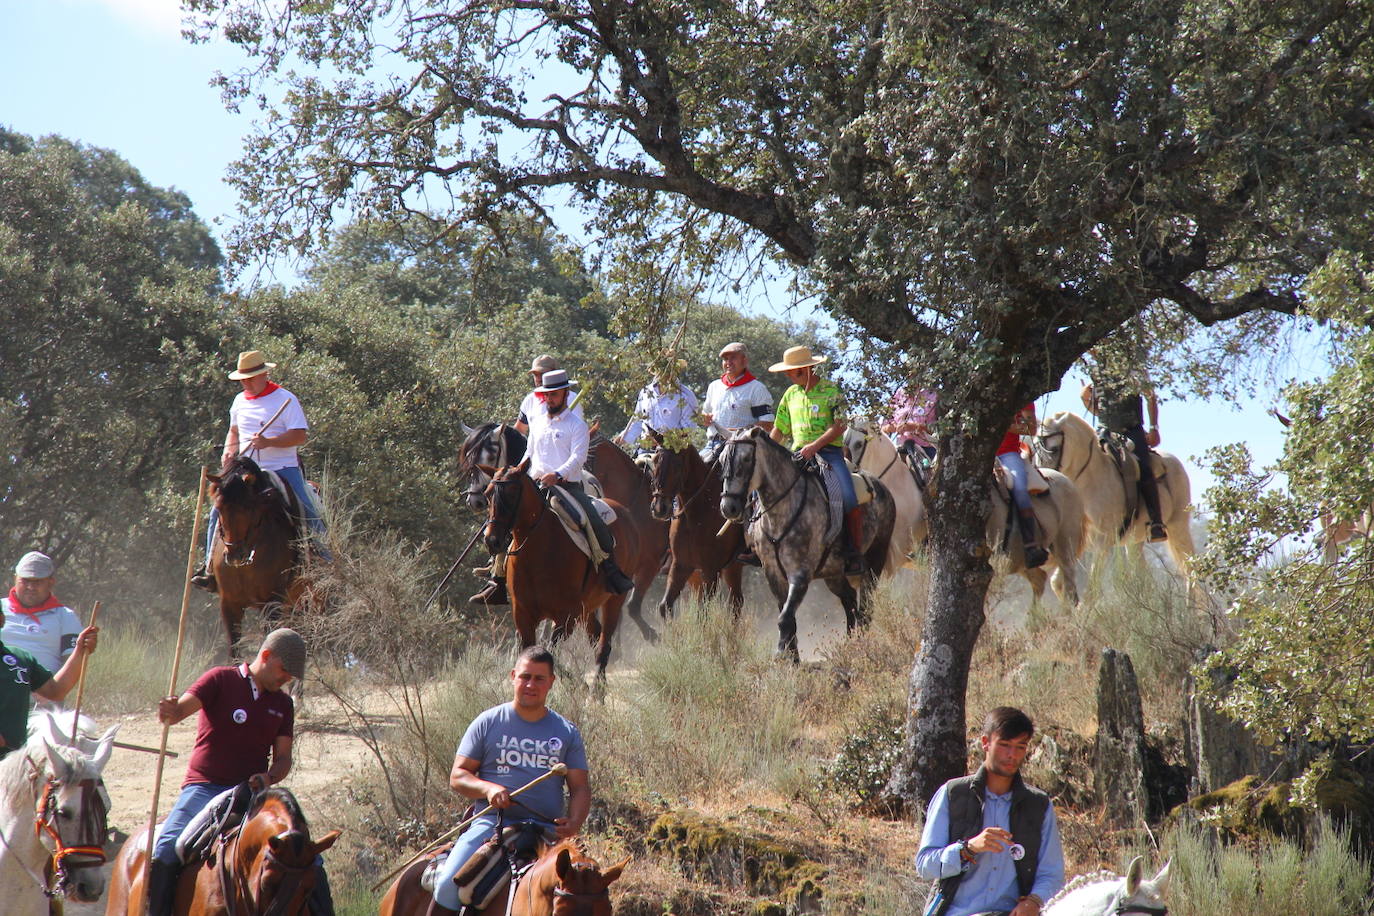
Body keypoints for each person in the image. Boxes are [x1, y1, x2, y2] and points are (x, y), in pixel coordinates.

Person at [144, 628, 333, 916]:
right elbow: (178, 713)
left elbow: (283, 759)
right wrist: (168, 710)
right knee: (167, 850)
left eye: (292, 675)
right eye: (284, 670)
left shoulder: (283, 704)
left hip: (253, 796)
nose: (287, 679)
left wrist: (269, 777)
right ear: (266, 656)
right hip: (204, 787)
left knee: (310, 861)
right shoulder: (220, 679)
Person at [427, 645, 589, 916]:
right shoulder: (488, 722)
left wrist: (574, 822)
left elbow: (580, 787)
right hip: (492, 826)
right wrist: (488, 789)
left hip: (547, 831)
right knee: (446, 885)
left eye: (539, 678)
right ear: (513, 676)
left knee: (587, 890)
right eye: (525, 676)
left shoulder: (566, 732)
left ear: (551, 682)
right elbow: (458, 776)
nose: (530, 684)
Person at [193, 350, 327, 592]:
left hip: (283, 467)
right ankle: (208, 568)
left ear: (265, 374)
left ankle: (329, 563)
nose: (246, 382)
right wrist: (228, 451)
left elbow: (300, 435)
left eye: (251, 377)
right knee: (218, 510)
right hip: (246, 468)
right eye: (243, 379)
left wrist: (269, 441)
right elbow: (234, 430)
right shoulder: (239, 401)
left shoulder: (286, 399)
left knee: (308, 507)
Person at [916, 707, 1065, 916]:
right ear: (985, 743)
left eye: (1020, 747)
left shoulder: (1038, 805)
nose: (1012, 755)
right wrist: (968, 849)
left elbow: (1052, 873)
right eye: (1004, 745)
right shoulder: (953, 794)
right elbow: (925, 865)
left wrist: (1034, 901)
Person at [520, 369, 635, 594]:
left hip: (566, 487)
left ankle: (609, 569)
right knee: (504, 515)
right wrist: (518, 468)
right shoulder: (537, 422)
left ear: (565, 393)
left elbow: (578, 458)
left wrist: (557, 474)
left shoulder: (576, 425)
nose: (549, 399)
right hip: (535, 485)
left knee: (591, 519)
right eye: (546, 395)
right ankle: (499, 573)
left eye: (554, 394)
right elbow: (529, 451)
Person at [769, 345, 865, 575]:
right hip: (798, 455)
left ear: (806, 369)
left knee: (849, 497)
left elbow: (839, 425)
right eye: (788, 371)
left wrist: (815, 446)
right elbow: (779, 429)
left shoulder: (832, 391)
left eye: (791, 371)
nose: (788, 375)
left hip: (829, 454)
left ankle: (853, 552)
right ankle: (758, 544)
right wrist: (769, 451)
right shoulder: (790, 395)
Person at [1081, 370, 1168, 542]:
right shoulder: (1096, 373)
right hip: (1104, 431)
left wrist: (1154, 428)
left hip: (1132, 430)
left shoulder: (1131, 366)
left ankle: (1156, 522)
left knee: (1143, 466)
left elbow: (1150, 396)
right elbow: (1088, 400)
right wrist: (1087, 400)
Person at [0, 620, 98, 758]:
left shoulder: (19, 659)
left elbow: (56, 690)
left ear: (2, 619)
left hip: (15, 762)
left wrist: (80, 651)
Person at [3, 551, 82, 673]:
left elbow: (72, 664)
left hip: (44, 690)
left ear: (51, 583)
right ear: (15, 579)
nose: (31, 587)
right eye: (25, 580)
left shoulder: (65, 617)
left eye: (37, 582)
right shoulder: (0, 608)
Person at [700, 341, 774, 458]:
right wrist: (704, 418)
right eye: (725, 359)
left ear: (744, 361)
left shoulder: (756, 388)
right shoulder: (714, 386)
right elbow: (705, 413)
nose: (728, 363)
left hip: (744, 447)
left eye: (733, 358)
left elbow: (768, 424)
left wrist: (740, 431)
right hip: (714, 444)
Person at [998, 404, 1048, 569]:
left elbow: (1031, 429)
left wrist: (1005, 425)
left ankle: (1030, 545)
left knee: (1019, 489)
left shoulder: (1023, 398)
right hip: (976, 452)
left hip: (1007, 454)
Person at [616, 360, 698, 455]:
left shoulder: (685, 395)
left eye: (669, 368)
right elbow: (638, 421)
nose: (665, 372)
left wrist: (661, 440)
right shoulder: (645, 392)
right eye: (662, 368)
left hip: (673, 453)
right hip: (645, 450)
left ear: (675, 370)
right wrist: (623, 439)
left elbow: (689, 429)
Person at [514, 354, 581, 437]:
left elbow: (577, 432)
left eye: (542, 374)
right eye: (535, 374)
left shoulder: (571, 398)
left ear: (554, 372)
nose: (538, 379)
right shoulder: (529, 400)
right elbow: (519, 431)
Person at [881, 386, 938, 462]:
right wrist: (890, 428)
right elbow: (882, 428)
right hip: (901, 447)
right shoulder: (898, 395)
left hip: (927, 449)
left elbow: (939, 431)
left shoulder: (932, 395)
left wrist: (914, 427)